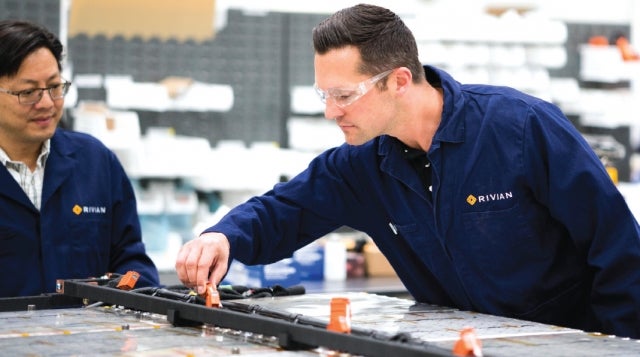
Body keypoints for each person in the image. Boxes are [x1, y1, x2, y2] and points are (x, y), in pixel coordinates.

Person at [175, 4, 640, 338]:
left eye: (343, 95)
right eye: (324, 96)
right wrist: (225, 236)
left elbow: (618, 248)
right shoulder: (363, 163)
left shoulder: (519, 128)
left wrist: (620, 345)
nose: (331, 112)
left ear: (398, 81)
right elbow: (286, 207)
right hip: (459, 344)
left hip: (566, 343)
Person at [0, 19, 159, 297]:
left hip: (87, 337)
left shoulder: (95, 163)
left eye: (54, 87)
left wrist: (131, 294)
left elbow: (132, 262)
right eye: (28, 92)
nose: (47, 103)